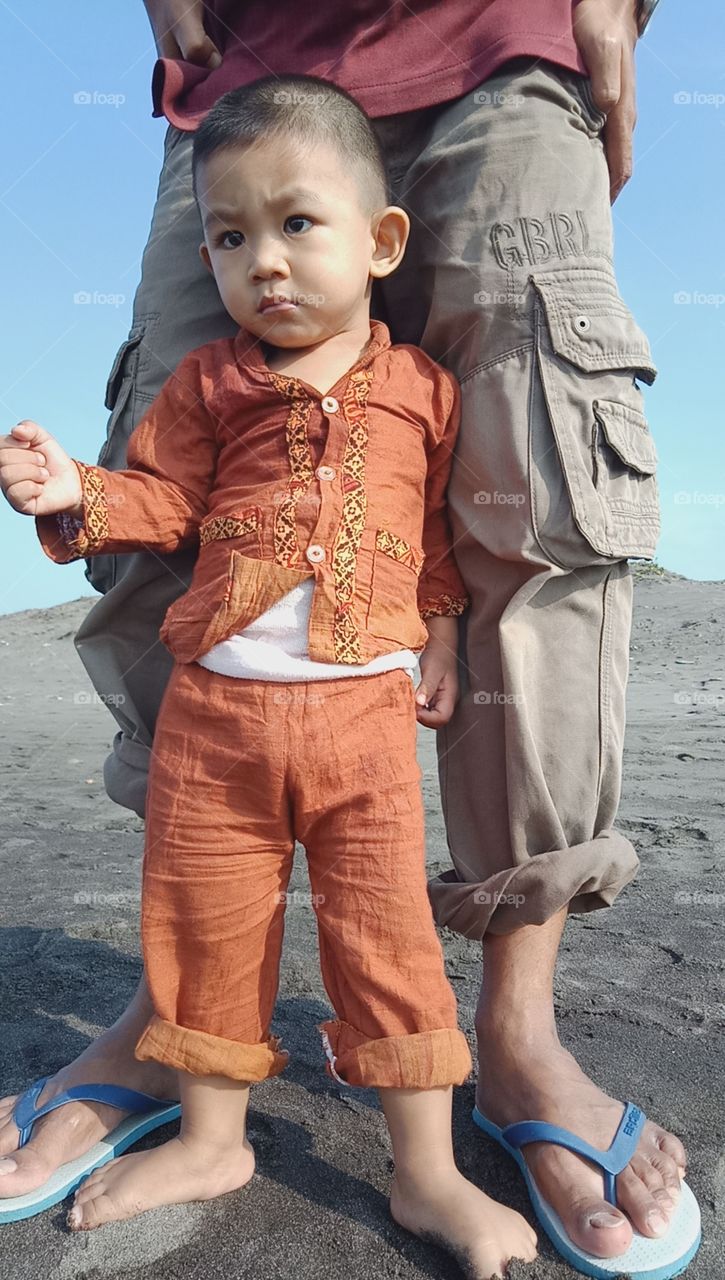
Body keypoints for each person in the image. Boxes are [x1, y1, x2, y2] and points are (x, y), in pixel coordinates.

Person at [0, 3, 703, 1278]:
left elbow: (437, 532)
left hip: (362, 725)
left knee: (382, 939)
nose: (262, 263)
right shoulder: (210, 386)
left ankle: (445, 1146)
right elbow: (165, 509)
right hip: (218, 722)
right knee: (212, 921)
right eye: (231, 238)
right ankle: (205, 1120)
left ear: (382, 243)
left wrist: (433, 621)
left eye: (294, 230)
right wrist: (77, 495)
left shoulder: (419, 393)